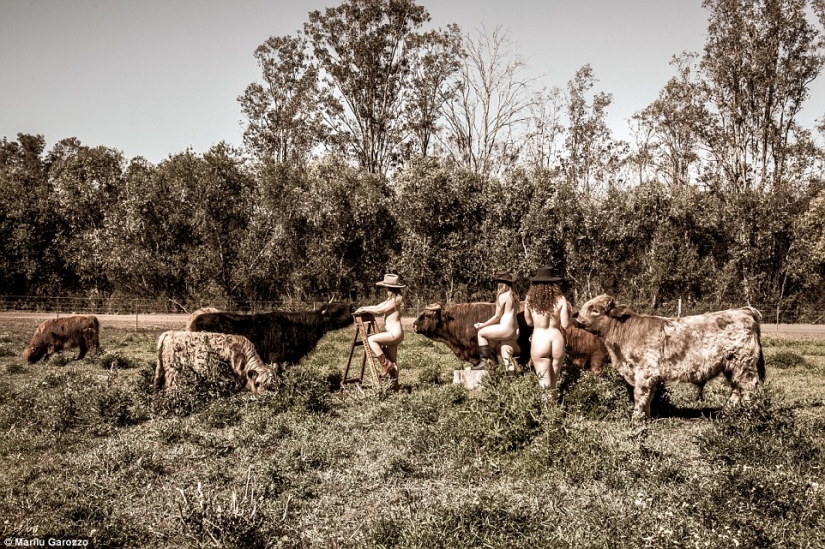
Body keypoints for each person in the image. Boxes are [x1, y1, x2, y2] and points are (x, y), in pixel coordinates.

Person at [523, 266, 570, 390]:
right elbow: (565, 324)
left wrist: (539, 322)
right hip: (556, 338)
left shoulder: (529, 299)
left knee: (544, 385)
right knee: (553, 384)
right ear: (554, 282)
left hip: (540, 339)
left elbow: (528, 322)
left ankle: (546, 409)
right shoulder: (561, 299)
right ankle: (555, 407)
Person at [354, 273, 405, 381]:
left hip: (394, 334)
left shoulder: (395, 300)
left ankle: (385, 364)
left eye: (386, 287)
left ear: (389, 288)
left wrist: (365, 310)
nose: (385, 289)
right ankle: (396, 387)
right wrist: (364, 307)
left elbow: (379, 310)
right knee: (393, 361)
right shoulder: (391, 299)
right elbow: (378, 306)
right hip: (396, 334)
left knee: (371, 340)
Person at [473, 270, 520, 371]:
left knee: (481, 333)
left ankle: (484, 362)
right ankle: (511, 380)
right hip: (515, 330)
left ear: (501, 283)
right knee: (507, 358)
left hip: (506, 328)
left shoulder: (503, 296)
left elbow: (497, 317)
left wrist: (482, 325)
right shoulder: (515, 296)